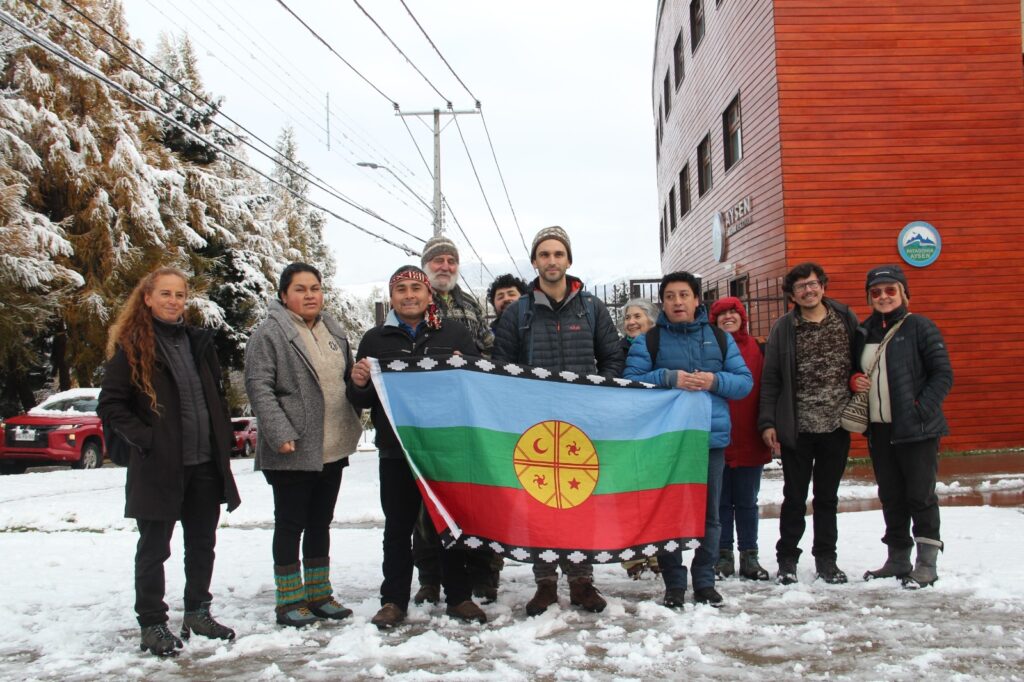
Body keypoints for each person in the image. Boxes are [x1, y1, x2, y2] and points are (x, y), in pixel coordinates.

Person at [97, 266, 241, 657]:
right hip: (159, 467)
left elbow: (214, 396)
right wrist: (149, 439)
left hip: (205, 464)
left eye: (179, 294)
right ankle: (152, 623)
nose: (173, 301)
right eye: (165, 294)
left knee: (202, 544)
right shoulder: (132, 346)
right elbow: (111, 404)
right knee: (154, 548)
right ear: (147, 298)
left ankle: (197, 611)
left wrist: (222, 436)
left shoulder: (198, 342)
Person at [494, 225, 624, 616]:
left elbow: (613, 358)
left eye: (558, 254)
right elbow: (502, 367)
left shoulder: (592, 308)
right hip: (534, 425)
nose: (552, 261)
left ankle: (582, 581)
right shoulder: (518, 312)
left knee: (581, 500)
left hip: (583, 424)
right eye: (544, 254)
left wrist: (597, 396)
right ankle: (545, 583)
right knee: (539, 503)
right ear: (534, 262)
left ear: (568, 260)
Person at [348, 265, 487, 629]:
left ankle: (459, 596)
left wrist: (467, 366)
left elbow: (475, 386)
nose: (409, 295)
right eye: (401, 290)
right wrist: (359, 381)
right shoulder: (375, 339)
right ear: (391, 297)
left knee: (450, 524)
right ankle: (393, 600)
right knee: (397, 527)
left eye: (416, 288)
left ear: (429, 296)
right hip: (397, 451)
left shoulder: (455, 333)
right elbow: (360, 399)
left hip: (445, 450)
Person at [244, 263, 364, 627]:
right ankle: (289, 599)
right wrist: (279, 432)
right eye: (300, 289)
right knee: (291, 523)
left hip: (331, 445)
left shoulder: (333, 330)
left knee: (320, 523)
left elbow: (344, 378)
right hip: (293, 447)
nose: (309, 295)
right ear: (284, 296)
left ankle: (319, 593)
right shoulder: (270, 334)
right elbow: (259, 386)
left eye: (315, 287)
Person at [624, 273, 753, 608]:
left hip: (708, 439)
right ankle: (674, 584)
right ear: (662, 302)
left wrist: (713, 380)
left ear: (697, 300)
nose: (677, 302)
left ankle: (705, 581)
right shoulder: (648, 341)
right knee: (667, 512)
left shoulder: (720, 338)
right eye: (669, 296)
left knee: (710, 514)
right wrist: (669, 378)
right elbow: (630, 383)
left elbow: (743, 383)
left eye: (684, 295)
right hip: (665, 441)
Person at [758, 262, 859, 585]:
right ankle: (787, 558)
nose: (808, 290)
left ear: (823, 286)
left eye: (813, 284)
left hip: (836, 424)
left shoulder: (845, 319)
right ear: (792, 294)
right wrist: (768, 421)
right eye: (801, 287)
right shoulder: (784, 328)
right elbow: (771, 378)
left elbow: (860, 363)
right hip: (796, 427)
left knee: (827, 497)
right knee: (794, 497)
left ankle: (826, 559)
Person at [852, 265, 953, 588]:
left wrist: (919, 408)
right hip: (879, 430)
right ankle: (897, 558)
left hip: (917, 429)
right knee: (891, 495)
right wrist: (854, 380)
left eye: (890, 290)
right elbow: (856, 372)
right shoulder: (864, 331)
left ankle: (926, 562)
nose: (883, 297)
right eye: (876, 292)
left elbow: (943, 374)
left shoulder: (920, 327)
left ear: (903, 293)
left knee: (920, 495)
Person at [414, 236, 501, 605]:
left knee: (476, 498)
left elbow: (488, 347)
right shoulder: (413, 301)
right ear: (426, 265)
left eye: (451, 260)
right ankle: (430, 578)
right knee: (428, 505)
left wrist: (468, 355)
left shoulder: (469, 304)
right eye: (438, 260)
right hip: (428, 417)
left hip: (469, 416)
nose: (445, 266)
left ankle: (483, 575)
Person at [709, 297, 772, 581]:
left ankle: (750, 556)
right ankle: (723, 556)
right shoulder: (709, 349)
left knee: (747, 500)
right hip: (718, 436)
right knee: (720, 501)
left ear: (743, 316)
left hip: (749, 435)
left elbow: (768, 389)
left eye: (734, 312)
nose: (729, 317)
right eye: (722, 314)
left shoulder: (758, 348)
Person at [617, 298, 663, 580]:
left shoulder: (662, 346)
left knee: (654, 493)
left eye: (638, 316)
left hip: (656, 428)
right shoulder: (617, 350)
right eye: (628, 317)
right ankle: (632, 557)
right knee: (627, 494)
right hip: (626, 430)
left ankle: (657, 552)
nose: (632, 321)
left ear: (652, 320)